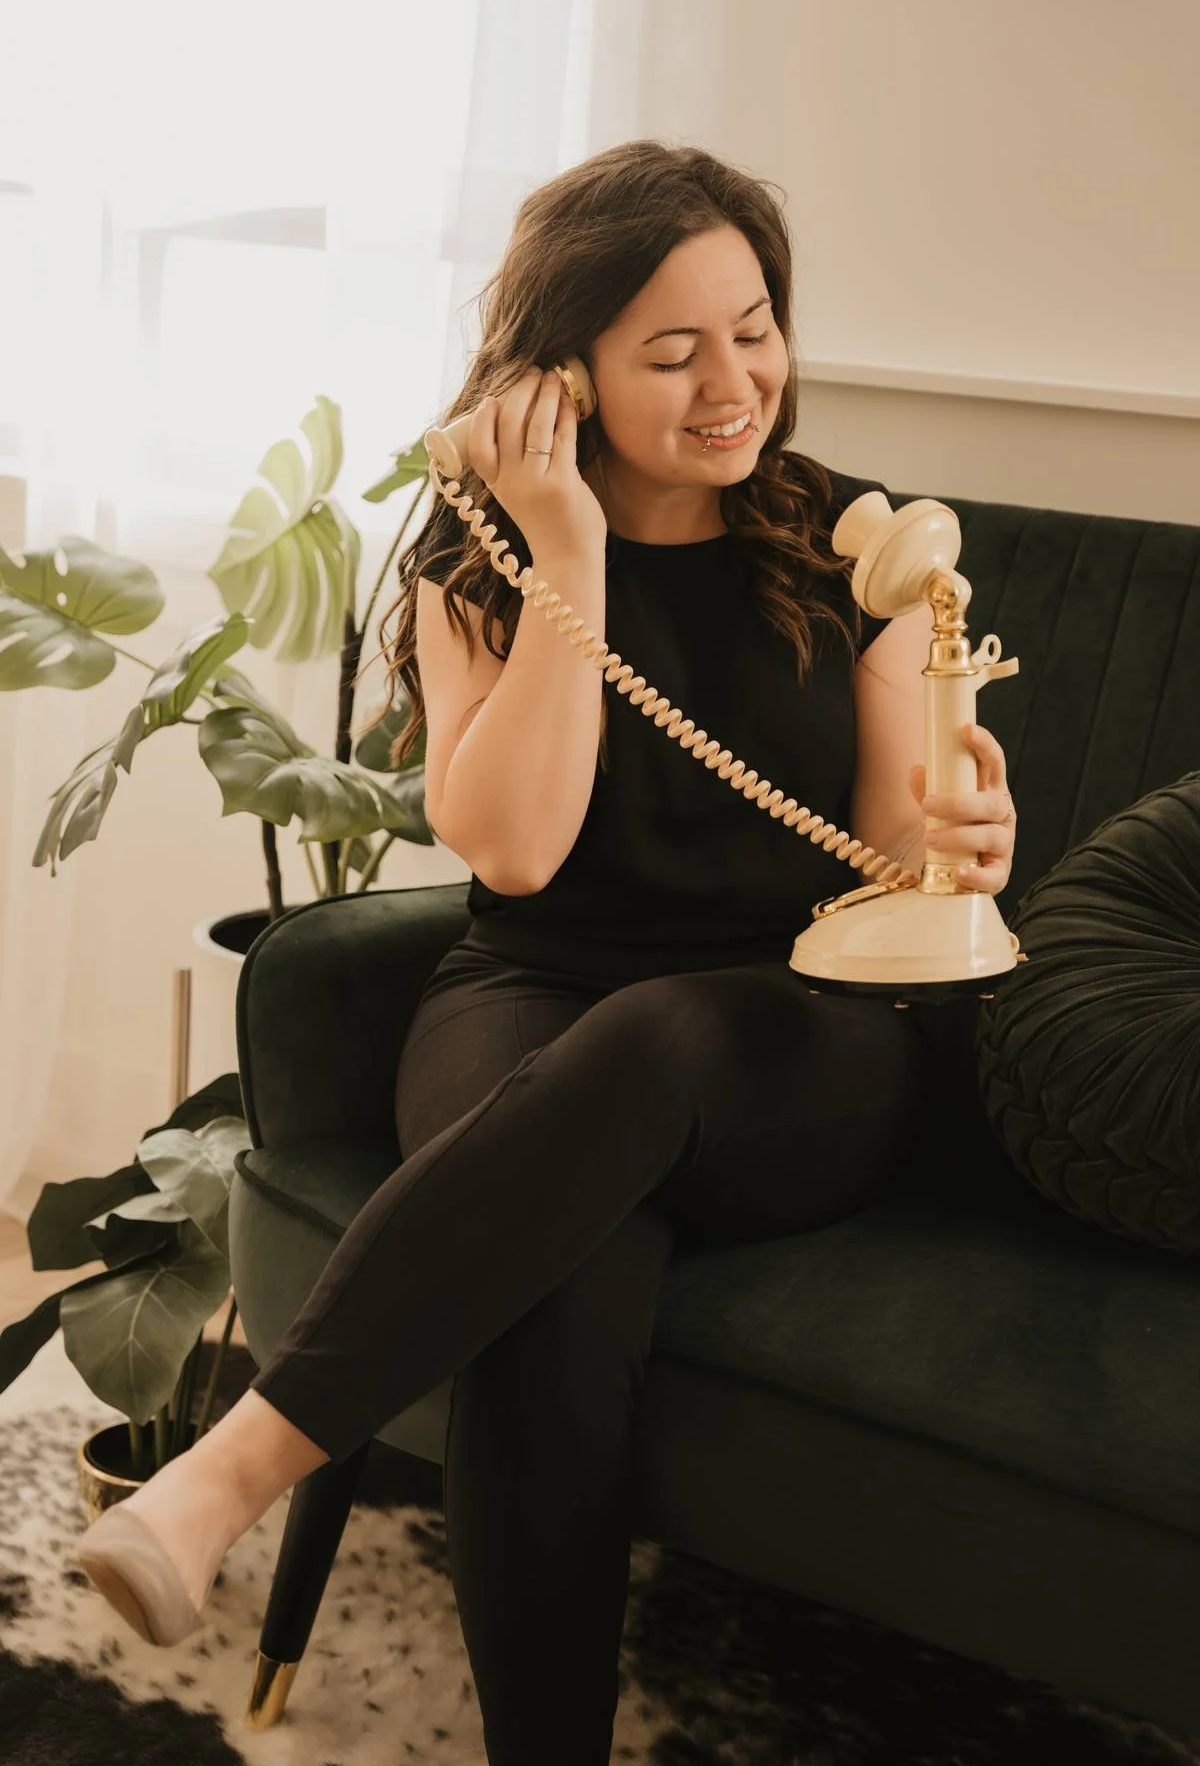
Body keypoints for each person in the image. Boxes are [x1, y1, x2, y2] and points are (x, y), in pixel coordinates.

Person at [75, 140, 1017, 1763]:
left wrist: (965, 833)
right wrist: (565, 549)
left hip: (794, 1031)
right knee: (550, 1282)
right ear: (558, 370)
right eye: (671, 350)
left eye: (756, 327)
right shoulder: (479, 554)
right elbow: (514, 852)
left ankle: (230, 1470)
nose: (736, 383)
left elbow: (896, 859)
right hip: (531, 991)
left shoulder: (852, 541)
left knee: (657, 1039)